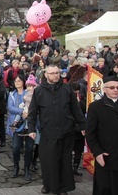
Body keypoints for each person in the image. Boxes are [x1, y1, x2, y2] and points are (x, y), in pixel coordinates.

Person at [27, 65, 86, 195]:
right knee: (49, 160)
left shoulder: (67, 89)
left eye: (57, 73)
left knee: (64, 161)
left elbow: (75, 109)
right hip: (48, 131)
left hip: (66, 130)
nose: (55, 75)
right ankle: (48, 185)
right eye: (52, 73)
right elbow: (32, 112)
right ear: (46, 75)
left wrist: (82, 125)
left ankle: (62, 187)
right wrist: (31, 128)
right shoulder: (39, 91)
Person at [86, 75, 118, 195]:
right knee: (105, 188)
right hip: (106, 156)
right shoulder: (95, 107)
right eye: (112, 87)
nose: (115, 90)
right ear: (104, 89)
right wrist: (97, 152)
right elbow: (90, 133)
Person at [7, 75, 34, 180]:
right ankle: (16, 167)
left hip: (29, 124)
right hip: (17, 124)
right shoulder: (12, 94)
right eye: (16, 81)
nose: (17, 82)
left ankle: (27, 169)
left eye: (19, 80)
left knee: (29, 148)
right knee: (15, 148)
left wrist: (29, 112)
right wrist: (22, 111)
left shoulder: (29, 93)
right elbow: (10, 107)